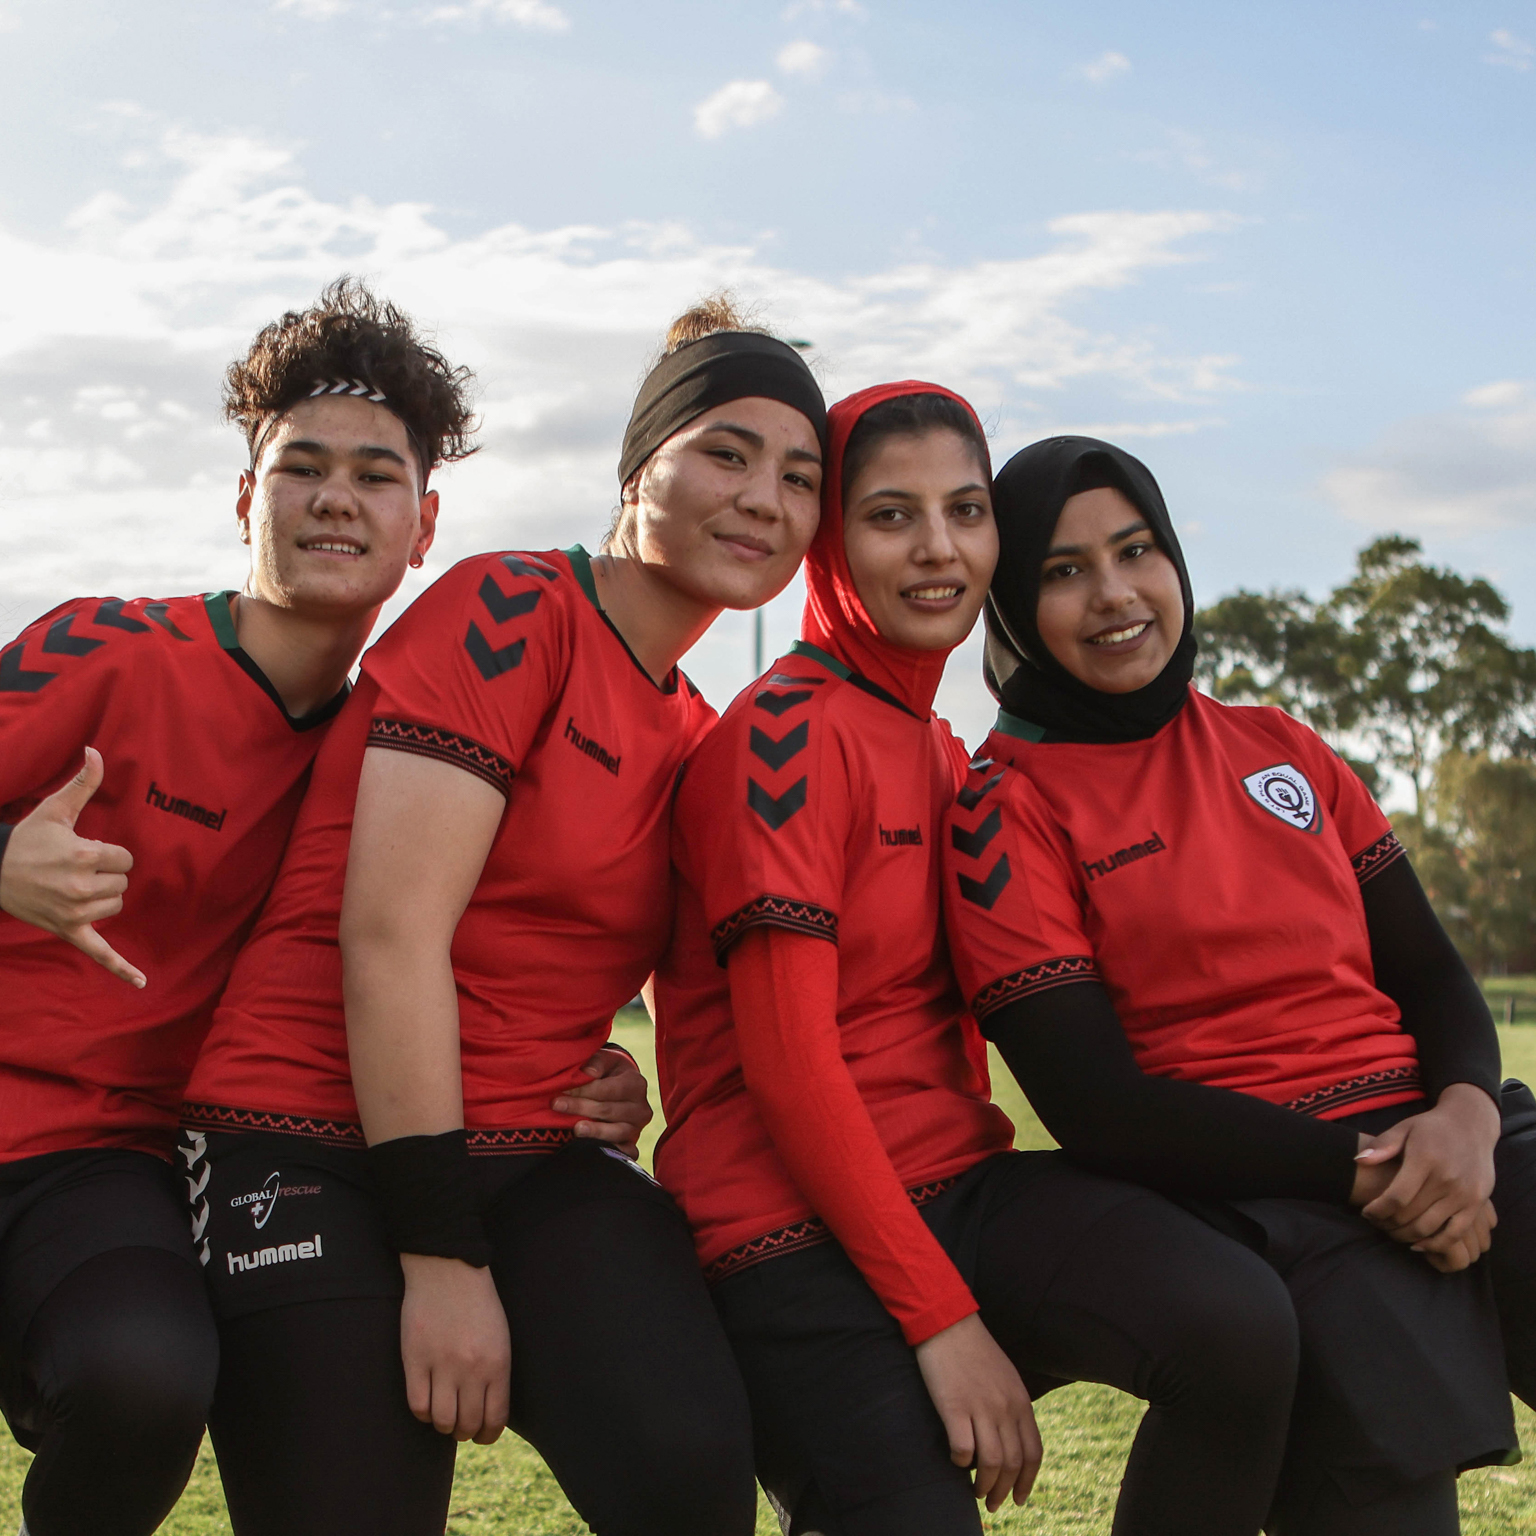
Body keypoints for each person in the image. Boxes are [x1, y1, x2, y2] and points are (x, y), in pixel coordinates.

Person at [179, 297, 828, 1536]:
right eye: (727, 453)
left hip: (526, 1153)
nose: (763, 498)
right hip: (305, 1134)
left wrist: (610, 1079)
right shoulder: (512, 610)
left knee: (688, 1465)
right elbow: (391, 936)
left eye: (799, 478)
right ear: (642, 468)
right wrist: (443, 1255)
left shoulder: (698, 733)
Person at [651, 382, 1301, 1536]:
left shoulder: (946, 752)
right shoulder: (781, 739)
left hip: (963, 1193)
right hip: (788, 1239)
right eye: (892, 516)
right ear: (830, 544)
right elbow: (794, 1071)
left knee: (1238, 1326)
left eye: (965, 510)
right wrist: (944, 1325)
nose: (939, 549)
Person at [942, 433, 1534, 1535]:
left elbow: (1432, 977)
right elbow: (1097, 1108)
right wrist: (1377, 1178)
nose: (1114, 595)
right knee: (1379, 1451)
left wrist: (1463, 1123)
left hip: (1436, 1135)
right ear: (1012, 604)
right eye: (1064, 571)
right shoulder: (1001, 806)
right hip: (1256, 1184)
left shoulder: (1286, 749)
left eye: (1135, 551)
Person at [0, 277, 489, 1536]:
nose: (337, 497)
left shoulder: (412, 749)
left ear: (423, 524)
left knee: (147, 1374)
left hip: (100, 1166)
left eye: (377, 476)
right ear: (243, 498)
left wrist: (594, 1067)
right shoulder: (102, 647)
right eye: (301, 467)